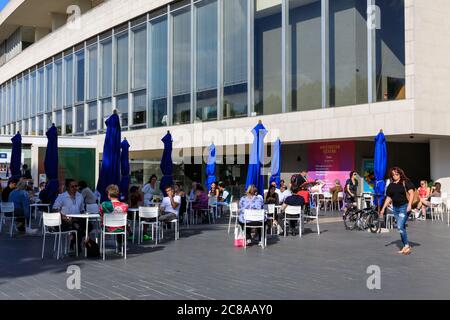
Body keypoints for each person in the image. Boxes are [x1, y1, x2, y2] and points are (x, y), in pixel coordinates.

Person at [380, 167, 415, 255]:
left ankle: (406, 245)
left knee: (399, 226)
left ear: (400, 174)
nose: (395, 176)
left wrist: (410, 204)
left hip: (404, 207)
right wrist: (383, 208)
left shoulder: (405, 182)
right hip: (395, 208)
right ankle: (405, 246)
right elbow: (389, 197)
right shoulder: (391, 185)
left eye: (397, 174)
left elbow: (411, 193)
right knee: (401, 228)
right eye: (393, 174)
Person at [52, 179, 86, 251]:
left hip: (78, 219)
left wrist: (85, 215)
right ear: (67, 187)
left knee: (89, 226)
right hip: (66, 220)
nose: (75, 188)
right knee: (77, 226)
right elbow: (55, 209)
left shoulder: (80, 196)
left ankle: (73, 242)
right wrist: (63, 216)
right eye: (72, 186)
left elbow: (82, 209)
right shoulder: (62, 197)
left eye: (76, 186)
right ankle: (77, 246)